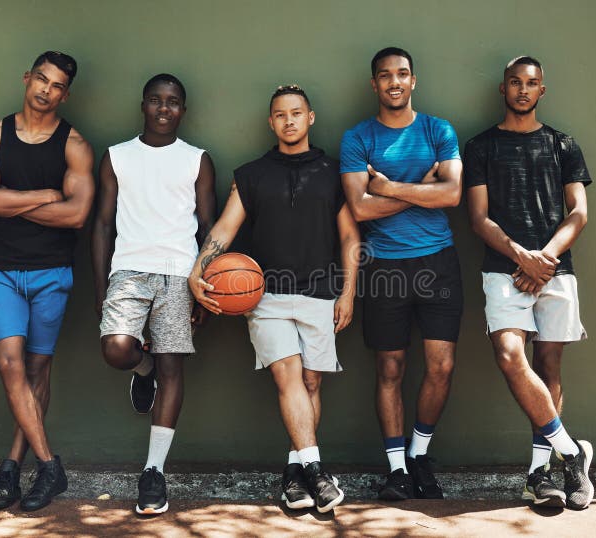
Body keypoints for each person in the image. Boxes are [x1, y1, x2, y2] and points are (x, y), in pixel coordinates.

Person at [189, 85, 359, 513]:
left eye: (296, 113)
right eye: (281, 115)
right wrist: (198, 269)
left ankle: (294, 474)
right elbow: (225, 229)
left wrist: (349, 293)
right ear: (271, 122)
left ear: (310, 117)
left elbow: (350, 237)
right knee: (289, 376)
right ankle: (318, 471)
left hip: (321, 293)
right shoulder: (250, 175)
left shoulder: (333, 172)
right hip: (265, 297)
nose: (289, 121)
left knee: (312, 382)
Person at [464, 56, 594, 510]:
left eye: (532, 83)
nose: (523, 90)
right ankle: (573, 452)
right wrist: (523, 257)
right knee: (509, 356)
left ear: (543, 90)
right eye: (515, 83)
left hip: (556, 268)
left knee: (550, 367)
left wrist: (547, 258)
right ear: (503, 89)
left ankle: (542, 475)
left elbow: (578, 212)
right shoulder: (480, 146)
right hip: (504, 269)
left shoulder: (563, 144)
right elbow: (478, 218)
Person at [0, 51, 94, 511]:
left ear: (65, 93)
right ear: (27, 78)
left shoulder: (75, 145)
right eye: (41, 79)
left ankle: (11, 468)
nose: (46, 90)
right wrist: (43, 195)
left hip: (52, 275)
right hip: (1, 271)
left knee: (37, 371)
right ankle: (50, 466)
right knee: (10, 364)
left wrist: (10, 200)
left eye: (57, 85)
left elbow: (77, 214)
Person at [340, 47, 463, 500]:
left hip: (438, 263)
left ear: (414, 81)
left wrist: (388, 187)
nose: (395, 82)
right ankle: (396, 468)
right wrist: (424, 190)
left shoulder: (438, 129)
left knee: (442, 366)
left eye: (403, 74)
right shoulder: (358, 138)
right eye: (385, 76)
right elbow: (358, 208)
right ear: (374, 84)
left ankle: (419, 455)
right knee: (389, 367)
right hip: (385, 267)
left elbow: (452, 195)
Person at [91, 73, 216, 515]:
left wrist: (203, 287)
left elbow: (207, 230)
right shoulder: (117, 157)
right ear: (143, 105)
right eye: (156, 100)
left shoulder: (197, 160)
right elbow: (103, 224)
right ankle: (142, 369)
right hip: (128, 269)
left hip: (180, 274)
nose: (165, 109)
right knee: (117, 348)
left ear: (184, 109)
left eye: (174, 102)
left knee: (174, 366)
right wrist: (103, 286)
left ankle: (153, 472)